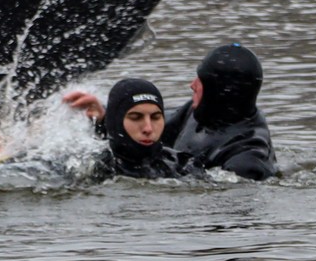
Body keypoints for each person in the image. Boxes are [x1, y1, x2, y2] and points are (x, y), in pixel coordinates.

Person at [64, 42, 278, 180]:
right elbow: (145, 129)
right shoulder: (198, 111)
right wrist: (104, 117)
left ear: (219, 91)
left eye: (201, 80)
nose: (192, 84)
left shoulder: (248, 161)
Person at [94, 78, 188, 180]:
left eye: (155, 117)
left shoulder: (182, 165)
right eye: (136, 118)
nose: (148, 128)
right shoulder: (94, 169)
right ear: (116, 122)